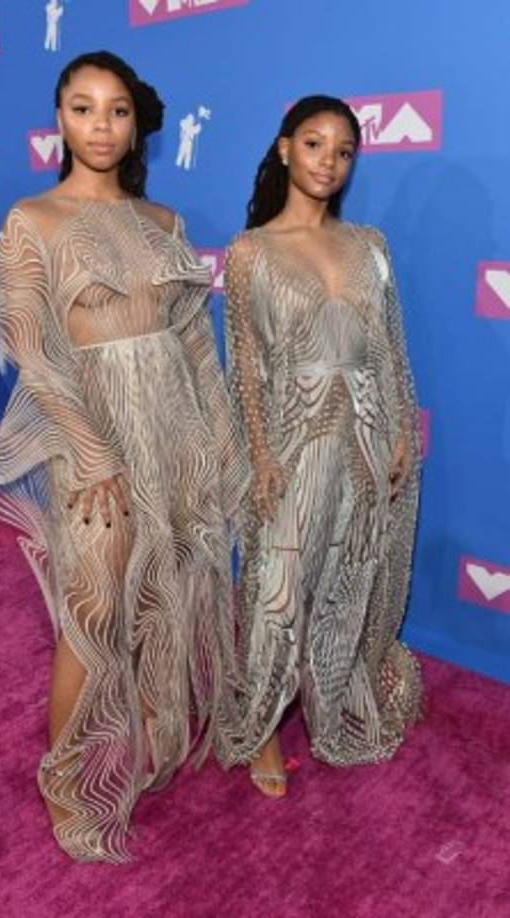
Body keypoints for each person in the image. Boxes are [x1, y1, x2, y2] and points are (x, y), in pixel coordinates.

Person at [0, 50, 244, 862]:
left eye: (117, 110)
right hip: (93, 438)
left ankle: (146, 740)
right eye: (83, 108)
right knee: (94, 609)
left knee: (161, 597)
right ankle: (64, 775)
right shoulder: (32, 220)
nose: (101, 126)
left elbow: (195, 348)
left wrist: (220, 447)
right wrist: (91, 451)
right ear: (60, 120)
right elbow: (34, 353)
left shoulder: (164, 223)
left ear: (136, 124)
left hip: (174, 430)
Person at [224, 96, 422, 798]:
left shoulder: (369, 245)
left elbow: (389, 346)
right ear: (284, 149)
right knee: (277, 587)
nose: (328, 162)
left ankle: (330, 699)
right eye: (314, 144)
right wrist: (260, 454)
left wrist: (399, 429)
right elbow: (247, 366)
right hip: (293, 437)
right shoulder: (250, 252)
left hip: (366, 433)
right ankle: (262, 725)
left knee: (349, 575)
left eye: (343, 151)